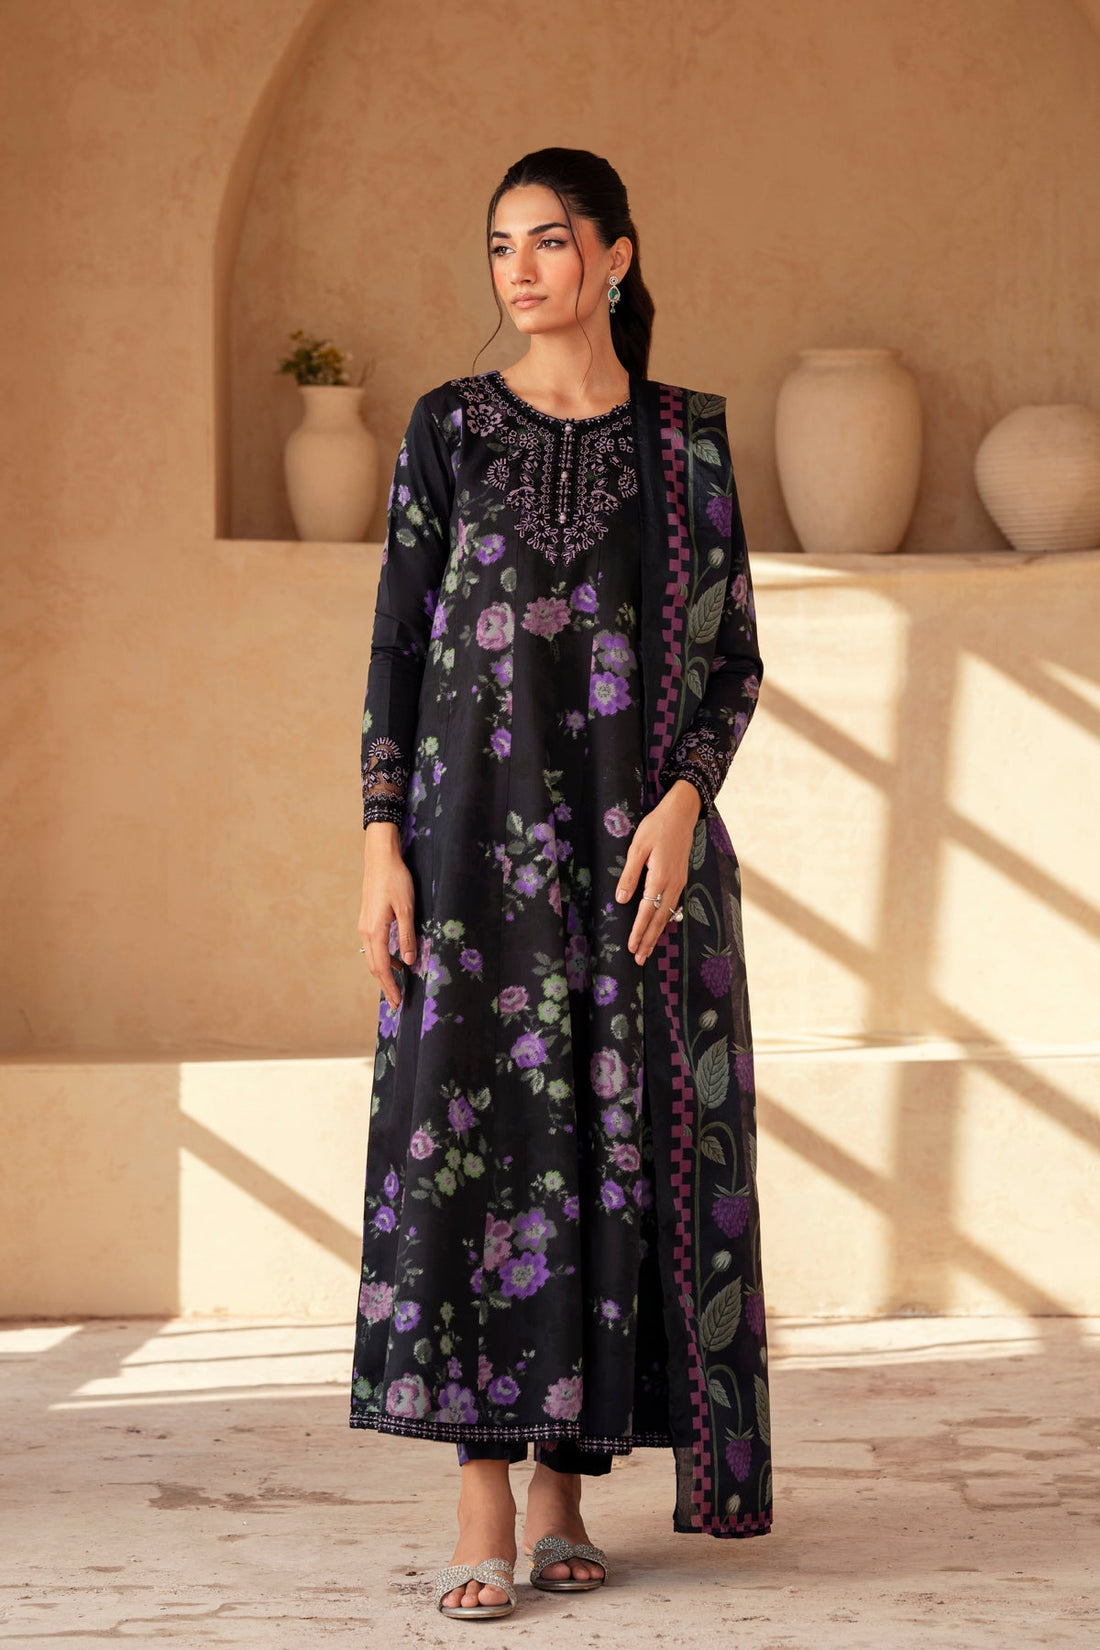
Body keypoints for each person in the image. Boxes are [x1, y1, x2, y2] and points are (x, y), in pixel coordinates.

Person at [351, 147, 771, 1622]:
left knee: (611, 1138)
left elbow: (733, 658)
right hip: (470, 854)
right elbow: (399, 639)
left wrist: (685, 800)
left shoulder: (685, 442)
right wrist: (380, 838)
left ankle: (564, 1484)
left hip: (628, 856)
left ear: (615, 256)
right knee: (475, 1144)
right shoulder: (450, 427)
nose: (518, 270)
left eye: (547, 241)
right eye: (499, 246)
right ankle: (482, 1484)